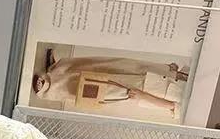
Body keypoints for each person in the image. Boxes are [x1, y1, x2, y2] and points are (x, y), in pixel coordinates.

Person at [32, 53, 187, 115]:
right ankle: (59, 69)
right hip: (158, 72)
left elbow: (174, 106)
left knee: (98, 86)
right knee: (106, 64)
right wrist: (173, 70)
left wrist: (142, 96)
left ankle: (50, 87)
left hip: (146, 89)